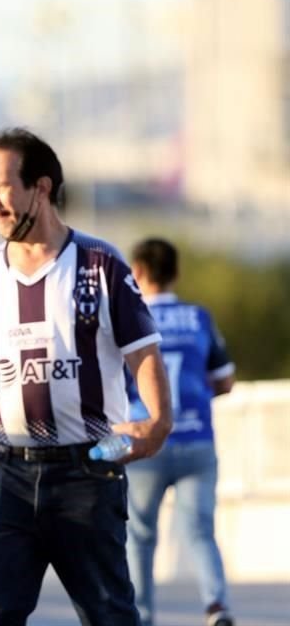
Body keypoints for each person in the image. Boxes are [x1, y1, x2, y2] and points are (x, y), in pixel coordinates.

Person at [0, 128, 173, 626]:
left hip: (88, 473)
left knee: (110, 616)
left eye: (2, 186)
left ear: (41, 185)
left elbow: (143, 354)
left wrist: (158, 423)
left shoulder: (101, 264)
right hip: (5, 473)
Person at [124, 238, 236, 626]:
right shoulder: (198, 317)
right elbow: (224, 381)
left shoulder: (129, 318)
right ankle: (216, 605)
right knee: (201, 530)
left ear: (136, 271)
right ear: (176, 272)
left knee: (139, 535)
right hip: (196, 440)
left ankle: (142, 614)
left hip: (143, 441)